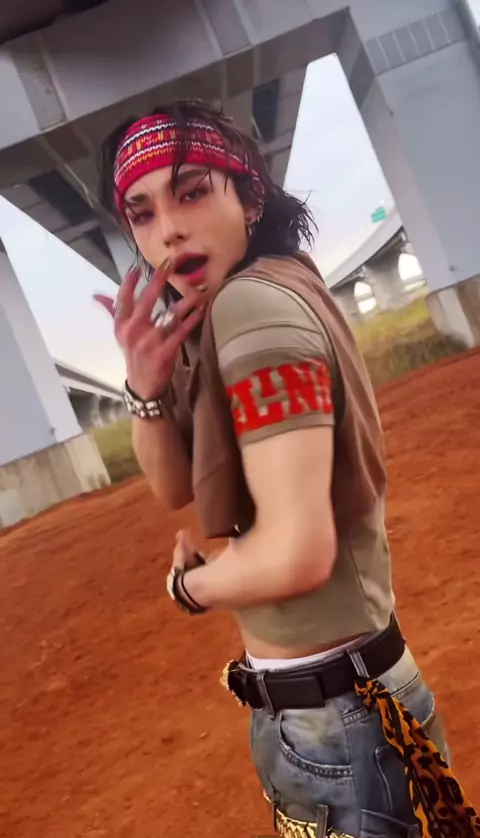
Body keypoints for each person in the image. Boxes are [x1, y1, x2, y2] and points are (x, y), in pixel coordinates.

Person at [95, 100, 475, 838]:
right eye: (142, 213)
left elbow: (296, 552)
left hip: (338, 721)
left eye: (192, 193)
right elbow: (174, 487)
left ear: (250, 196)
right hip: (343, 706)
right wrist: (145, 387)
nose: (168, 229)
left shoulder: (250, 308)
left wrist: (189, 587)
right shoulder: (266, 288)